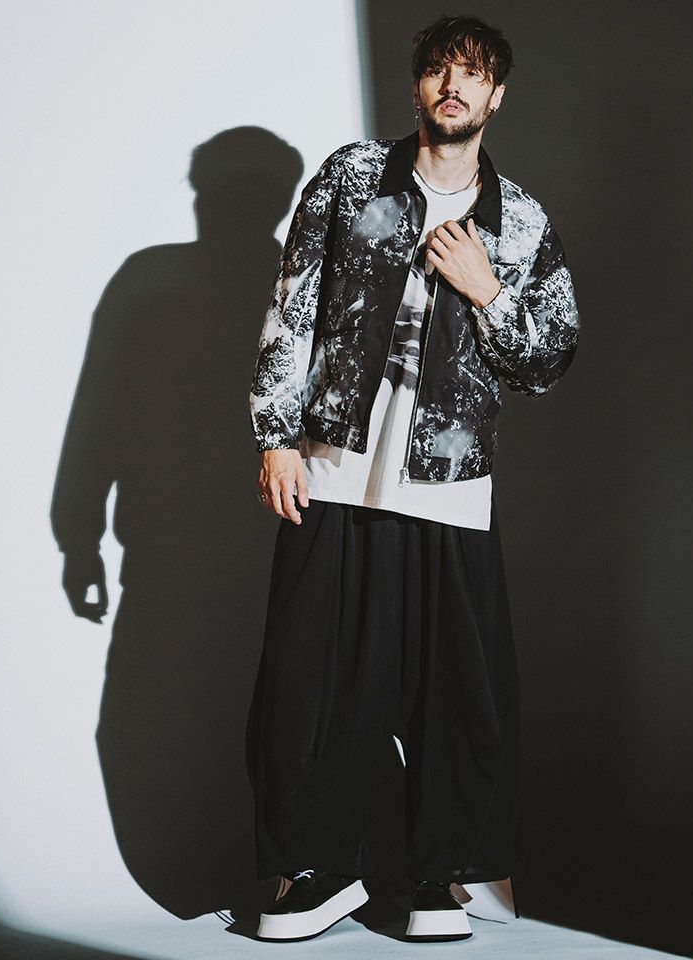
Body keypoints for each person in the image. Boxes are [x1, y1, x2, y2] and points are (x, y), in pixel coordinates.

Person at [245, 13, 580, 944]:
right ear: (419, 84)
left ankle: (441, 878)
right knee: (309, 685)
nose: (453, 87)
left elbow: (549, 360)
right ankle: (317, 873)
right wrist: (276, 435)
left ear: (496, 95)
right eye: (439, 70)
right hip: (332, 470)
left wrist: (487, 288)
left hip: (449, 485)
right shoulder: (351, 178)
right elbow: (293, 305)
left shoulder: (520, 222)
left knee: (455, 693)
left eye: (472, 74)